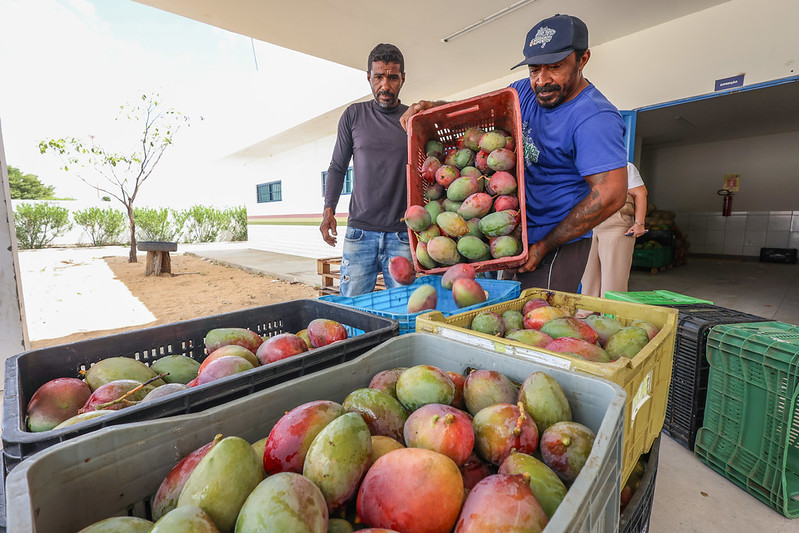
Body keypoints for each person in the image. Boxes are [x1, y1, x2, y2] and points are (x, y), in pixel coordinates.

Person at [402, 14, 628, 292]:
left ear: (582, 60)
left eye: (555, 67)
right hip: (511, 232)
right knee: (505, 311)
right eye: (534, 69)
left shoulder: (594, 116)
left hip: (555, 243)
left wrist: (545, 244)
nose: (542, 81)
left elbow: (611, 194)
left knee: (535, 320)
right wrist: (433, 107)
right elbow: (482, 110)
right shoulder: (525, 91)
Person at [320, 43, 414, 296]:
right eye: (378, 77)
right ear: (369, 77)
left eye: (392, 77)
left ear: (402, 79)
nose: (385, 86)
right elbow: (337, 167)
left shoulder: (413, 119)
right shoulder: (353, 115)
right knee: (353, 311)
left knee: (404, 309)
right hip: (360, 233)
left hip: (403, 235)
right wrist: (329, 209)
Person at [580, 162, 649, 298]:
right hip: (588, 223)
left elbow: (640, 193)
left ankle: (609, 315)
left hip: (616, 223)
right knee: (588, 276)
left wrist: (639, 223)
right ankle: (586, 313)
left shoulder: (624, 166)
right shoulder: (583, 165)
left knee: (613, 278)